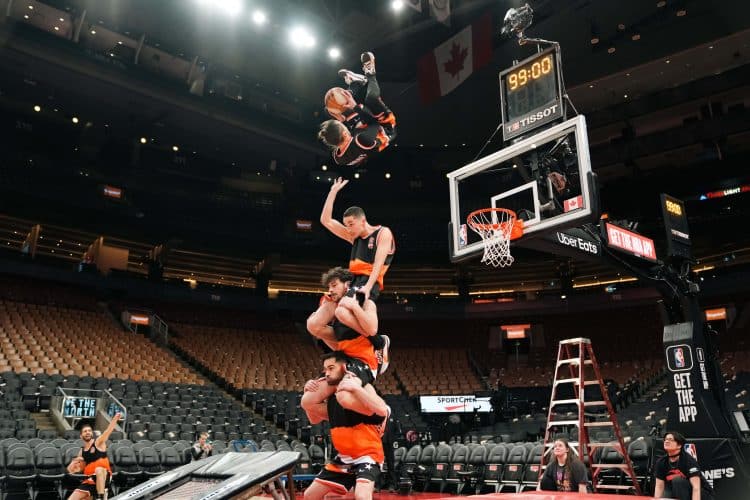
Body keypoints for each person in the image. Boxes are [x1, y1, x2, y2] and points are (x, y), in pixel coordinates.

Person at [302, 351, 389, 500]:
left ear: (344, 367)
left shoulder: (363, 385)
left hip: (367, 454)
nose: (327, 373)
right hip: (344, 457)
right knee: (309, 495)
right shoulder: (329, 395)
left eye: (331, 368)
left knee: (361, 495)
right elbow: (313, 420)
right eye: (325, 369)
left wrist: (356, 388)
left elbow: (382, 409)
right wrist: (307, 394)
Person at [319, 52, 396, 166]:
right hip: (383, 128)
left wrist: (343, 120)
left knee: (330, 109)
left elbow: (349, 150)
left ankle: (356, 83)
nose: (342, 123)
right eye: (342, 126)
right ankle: (370, 73)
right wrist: (354, 106)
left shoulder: (338, 158)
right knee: (371, 99)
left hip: (361, 133)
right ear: (345, 134)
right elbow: (373, 123)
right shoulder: (361, 140)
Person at [67, 413, 121, 500]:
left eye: (89, 431)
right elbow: (72, 471)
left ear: (92, 433)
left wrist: (114, 420)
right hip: (90, 480)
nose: (87, 432)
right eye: (85, 431)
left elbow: (107, 431)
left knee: (98, 469)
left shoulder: (98, 442)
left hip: (104, 477)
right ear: (81, 436)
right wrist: (74, 464)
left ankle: (100, 497)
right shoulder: (81, 451)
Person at [654, 431, 714, 500]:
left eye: (670, 440)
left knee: (677, 481)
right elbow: (659, 486)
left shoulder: (688, 460)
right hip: (679, 492)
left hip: (702, 494)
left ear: (679, 445)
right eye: (665, 439)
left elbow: (696, 487)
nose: (666, 441)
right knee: (665, 493)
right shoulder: (661, 462)